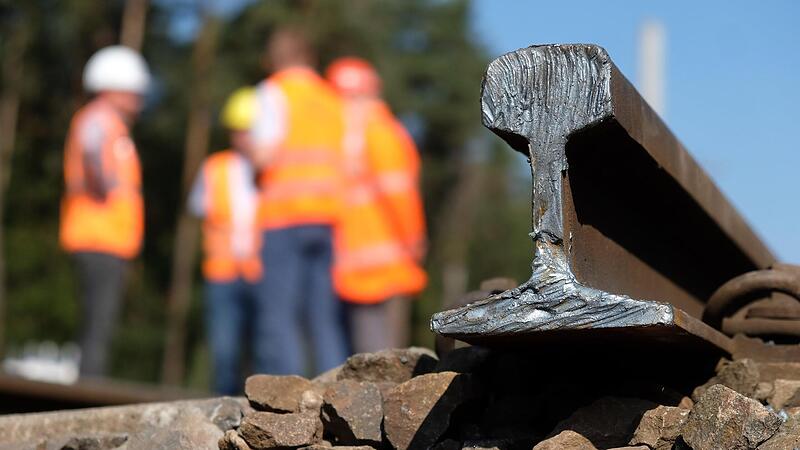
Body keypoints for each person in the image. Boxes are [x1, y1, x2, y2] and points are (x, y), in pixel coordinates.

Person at [250, 28, 349, 375]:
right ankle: (336, 390)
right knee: (324, 316)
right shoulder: (331, 99)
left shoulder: (272, 92)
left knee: (279, 314)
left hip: (283, 216)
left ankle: (283, 403)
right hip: (326, 217)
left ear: (275, 59)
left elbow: (263, 154)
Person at [325, 57, 427, 353]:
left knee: (365, 357)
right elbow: (400, 193)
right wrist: (414, 238)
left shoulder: (344, 140)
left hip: (355, 266)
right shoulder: (382, 132)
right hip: (386, 260)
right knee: (383, 359)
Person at [59, 46, 150, 376]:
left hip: (107, 238)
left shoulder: (108, 123)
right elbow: (93, 155)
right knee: (98, 324)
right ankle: (87, 395)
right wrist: (103, 181)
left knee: (98, 324)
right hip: (98, 237)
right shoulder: (100, 119)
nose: (139, 99)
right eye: (134, 91)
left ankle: (88, 384)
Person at [188, 88, 262, 394]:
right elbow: (197, 208)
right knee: (224, 352)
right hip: (222, 273)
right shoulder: (215, 167)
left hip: (262, 274)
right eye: (238, 131)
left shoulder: (272, 170)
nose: (243, 137)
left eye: (249, 131)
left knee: (262, 351)